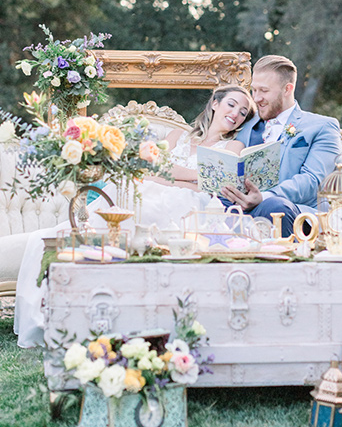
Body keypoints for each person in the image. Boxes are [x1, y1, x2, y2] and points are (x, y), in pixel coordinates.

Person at [14, 85, 256, 348]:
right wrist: (194, 175)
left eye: (243, 112)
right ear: (215, 104)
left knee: (157, 200)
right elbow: (148, 170)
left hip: (189, 203)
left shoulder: (234, 145)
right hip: (149, 188)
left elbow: (209, 185)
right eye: (231, 105)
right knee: (127, 195)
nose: (236, 114)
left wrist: (174, 178)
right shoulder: (177, 135)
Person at [220, 55, 341, 236]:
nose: (257, 98)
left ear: (287, 89)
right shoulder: (245, 126)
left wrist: (264, 197)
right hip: (241, 208)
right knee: (213, 203)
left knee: (274, 207)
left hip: (290, 211)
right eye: (253, 90)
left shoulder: (322, 127)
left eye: (264, 91)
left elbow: (312, 181)